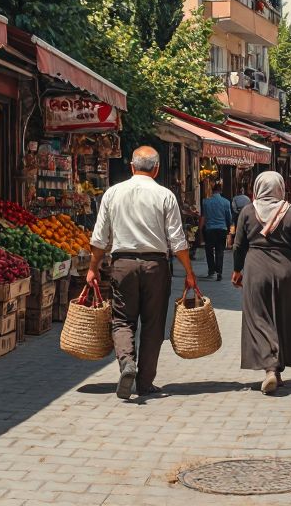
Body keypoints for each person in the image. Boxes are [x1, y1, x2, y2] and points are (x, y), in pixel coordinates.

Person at [87, 146, 194, 400]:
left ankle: (127, 364)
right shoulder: (165, 195)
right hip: (156, 266)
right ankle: (145, 382)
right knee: (153, 324)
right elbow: (178, 241)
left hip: (122, 264)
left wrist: (92, 268)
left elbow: (99, 239)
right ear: (156, 169)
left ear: (132, 167)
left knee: (123, 320)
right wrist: (189, 272)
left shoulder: (113, 193)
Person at [231, 171, 291, 394]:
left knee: (259, 319)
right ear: (280, 188)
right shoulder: (290, 213)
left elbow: (238, 245)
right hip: (286, 272)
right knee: (284, 319)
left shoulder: (247, 211)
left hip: (256, 270)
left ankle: (270, 369)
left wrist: (236, 269)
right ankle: (277, 369)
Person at [199, 182, 232, 282]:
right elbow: (229, 217)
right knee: (220, 250)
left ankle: (211, 270)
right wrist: (228, 227)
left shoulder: (205, 202)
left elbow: (204, 216)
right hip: (222, 229)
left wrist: (200, 229)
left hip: (210, 229)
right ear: (220, 191)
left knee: (209, 250)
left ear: (212, 191)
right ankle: (219, 272)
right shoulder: (226, 202)